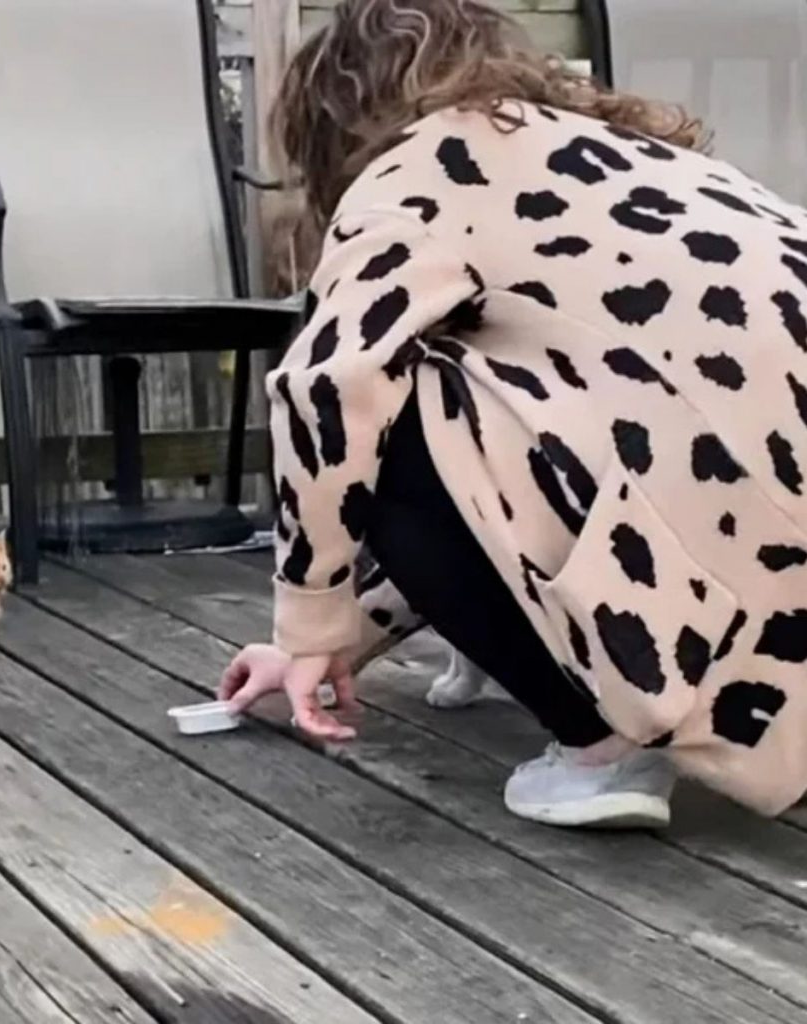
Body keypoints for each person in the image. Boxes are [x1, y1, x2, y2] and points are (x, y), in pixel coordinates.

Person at [218, 0, 807, 828]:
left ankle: (601, 747)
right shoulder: (642, 163)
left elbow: (331, 388)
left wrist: (309, 617)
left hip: (722, 563)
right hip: (770, 573)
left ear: (335, 117)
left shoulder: (422, 165)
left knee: (392, 386)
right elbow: (508, 498)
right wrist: (341, 636)